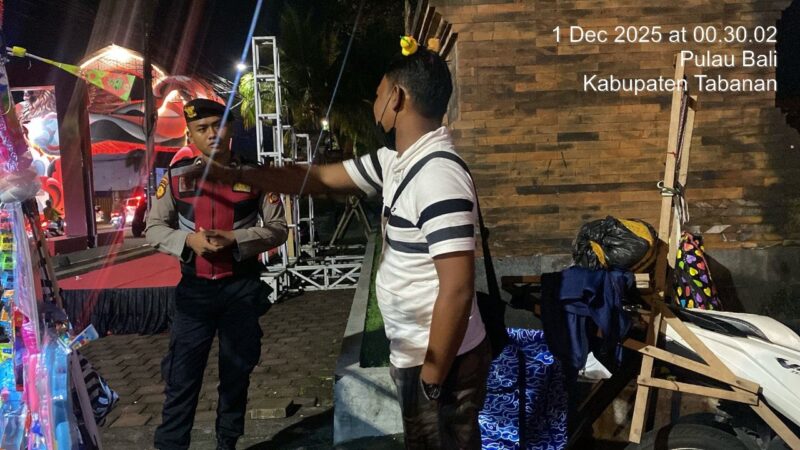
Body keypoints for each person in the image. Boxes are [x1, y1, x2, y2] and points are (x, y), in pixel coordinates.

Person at [196, 43, 490, 448]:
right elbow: (318, 178)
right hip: (417, 354)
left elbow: (457, 288)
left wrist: (431, 381)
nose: (374, 103)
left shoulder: (437, 176)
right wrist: (238, 174)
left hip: (441, 363)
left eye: (378, 93)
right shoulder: (396, 162)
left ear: (397, 97)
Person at [146, 98, 288, 450]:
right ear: (190, 134)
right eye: (202, 128)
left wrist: (236, 238)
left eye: (218, 126)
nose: (212, 134)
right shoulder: (177, 178)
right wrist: (188, 241)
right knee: (181, 376)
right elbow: (153, 228)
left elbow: (278, 229)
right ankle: (171, 445)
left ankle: (228, 442)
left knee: (236, 373)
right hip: (194, 293)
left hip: (241, 289)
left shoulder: (256, 176)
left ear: (230, 129)